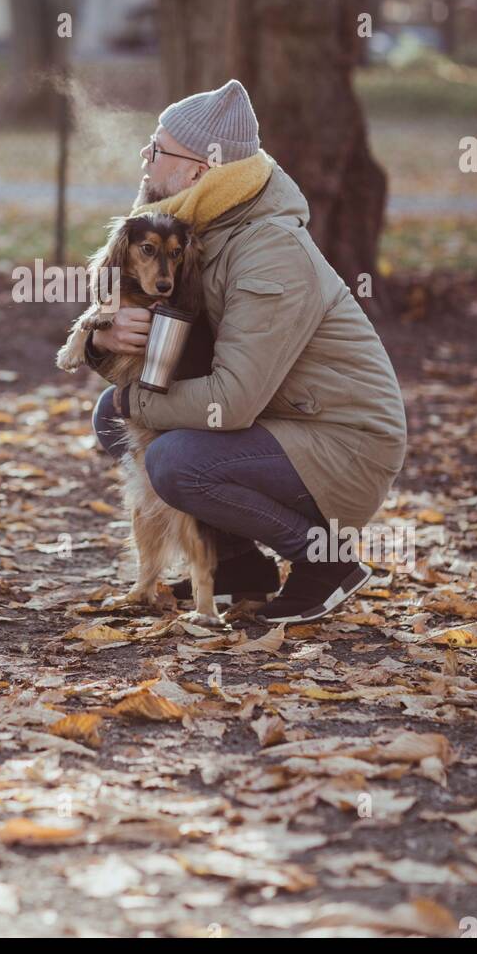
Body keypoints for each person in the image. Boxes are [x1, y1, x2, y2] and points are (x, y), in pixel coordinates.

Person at [85, 79, 407, 623]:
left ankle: (326, 562)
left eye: (157, 147)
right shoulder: (198, 226)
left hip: (344, 443)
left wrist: (134, 403)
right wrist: (100, 344)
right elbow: (157, 357)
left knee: (172, 459)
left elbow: (229, 402)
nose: (145, 156)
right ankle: (235, 568)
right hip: (281, 425)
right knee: (109, 415)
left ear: (198, 172)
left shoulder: (269, 250)